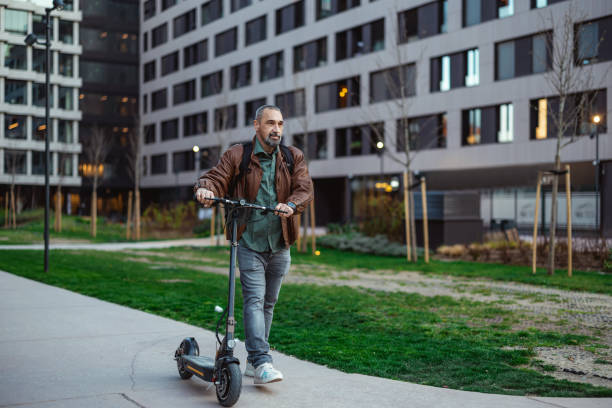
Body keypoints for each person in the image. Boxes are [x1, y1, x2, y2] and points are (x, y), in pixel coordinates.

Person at [194, 105, 314, 384]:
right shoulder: (239, 155)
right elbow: (216, 177)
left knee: (268, 304)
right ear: (256, 125)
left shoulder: (292, 156)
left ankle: (252, 363)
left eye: (281, 124)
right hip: (249, 242)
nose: (277, 129)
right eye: (270, 123)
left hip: (281, 244)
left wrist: (292, 204)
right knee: (254, 301)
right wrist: (205, 188)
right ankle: (262, 361)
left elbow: (304, 188)